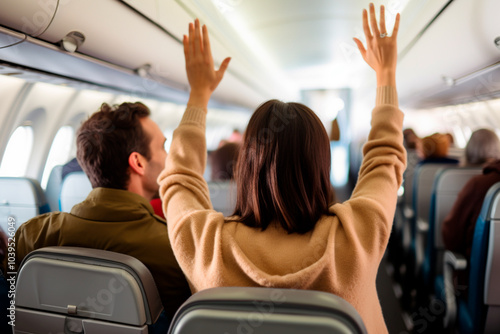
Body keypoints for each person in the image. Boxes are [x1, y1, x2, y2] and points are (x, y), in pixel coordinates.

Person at [159, 4, 404, 333]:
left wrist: (199, 94)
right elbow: (385, 158)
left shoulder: (207, 246)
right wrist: (385, 74)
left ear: (244, 168)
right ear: (320, 167)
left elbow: (179, 181)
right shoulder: (357, 236)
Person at [4, 102, 191, 326]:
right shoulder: (175, 248)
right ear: (138, 162)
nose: (168, 156)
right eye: (163, 147)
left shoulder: (31, 234)